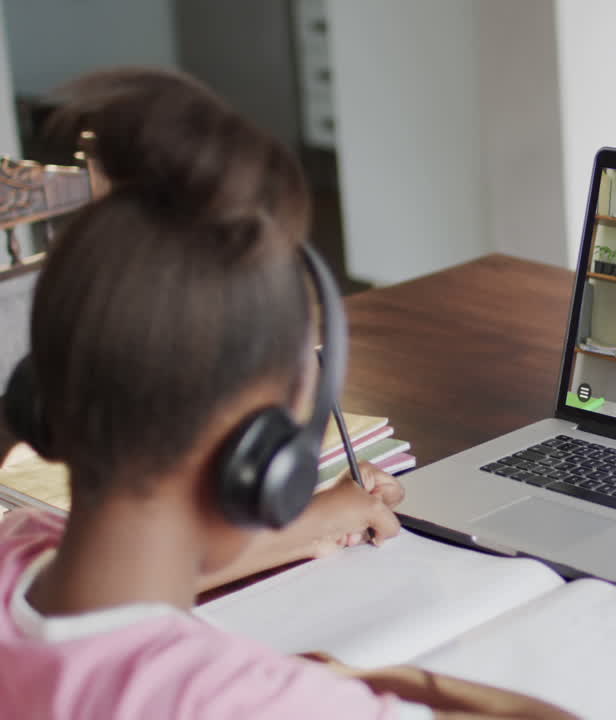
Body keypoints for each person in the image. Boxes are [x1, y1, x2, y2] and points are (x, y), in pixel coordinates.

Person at [0, 68, 572, 720]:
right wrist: (374, 683)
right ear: (261, 460)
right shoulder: (234, 701)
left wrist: (309, 523)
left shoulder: (19, 548)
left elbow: (118, 604)